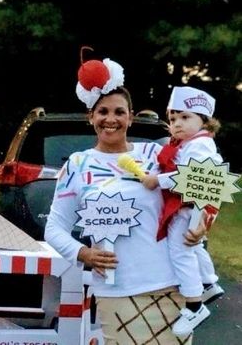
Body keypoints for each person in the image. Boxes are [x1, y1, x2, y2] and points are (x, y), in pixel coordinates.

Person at [44, 56, 206, 344]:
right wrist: (85, 254)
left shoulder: (156, 156)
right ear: (90, 117)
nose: (111, 119)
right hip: (115, 290)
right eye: (102, 112)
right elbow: (54, 229)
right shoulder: (77, 165)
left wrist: (203, 222)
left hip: (169, 285)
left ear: (130, 117)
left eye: (119, 112)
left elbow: (199, 187)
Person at [141, 86, 224, 337]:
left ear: (205, 121)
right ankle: (208, 282)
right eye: (173, 118)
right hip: (190, 207)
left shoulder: (200, 146)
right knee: (193, 248)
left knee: (180, 252)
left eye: (185, 117)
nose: (177, 124)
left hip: (189, 208)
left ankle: (194, 305)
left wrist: (158, 180)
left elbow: (190, 176)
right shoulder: (192, 143)